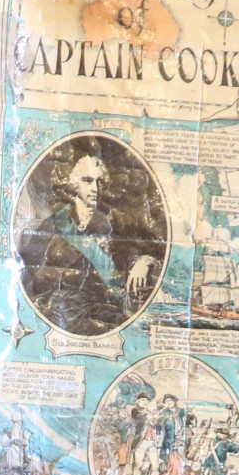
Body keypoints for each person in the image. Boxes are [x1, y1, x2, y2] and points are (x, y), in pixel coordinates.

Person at [17, 143, 162, 338]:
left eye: (98, 182)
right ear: (74, 183)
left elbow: (155, 245)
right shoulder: (54, 224)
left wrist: (144, 261)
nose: (94, 188)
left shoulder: (117, 220)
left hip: (107, 312)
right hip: (66, 314)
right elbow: (26, 270)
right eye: (87, 180)